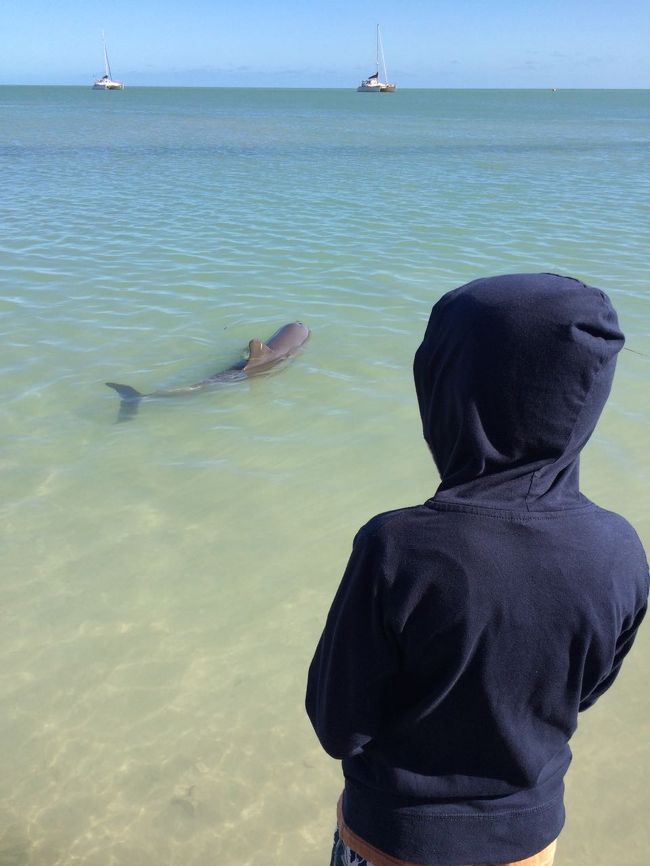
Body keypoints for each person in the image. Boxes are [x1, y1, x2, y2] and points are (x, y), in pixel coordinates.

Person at [306, 273, 649, 866]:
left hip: (394, 842)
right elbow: (583, 693)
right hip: (531, 842)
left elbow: (339, 726)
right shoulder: (620, 548)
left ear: (446, 389)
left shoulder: (396, 547)